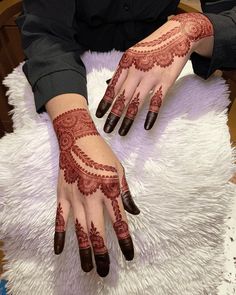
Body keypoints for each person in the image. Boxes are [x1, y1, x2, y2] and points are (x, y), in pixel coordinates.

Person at [15, 0, 236, 277]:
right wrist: (76, 131)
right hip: (67, 72)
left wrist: (192, 29)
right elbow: (47, 32)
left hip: (165, 67)